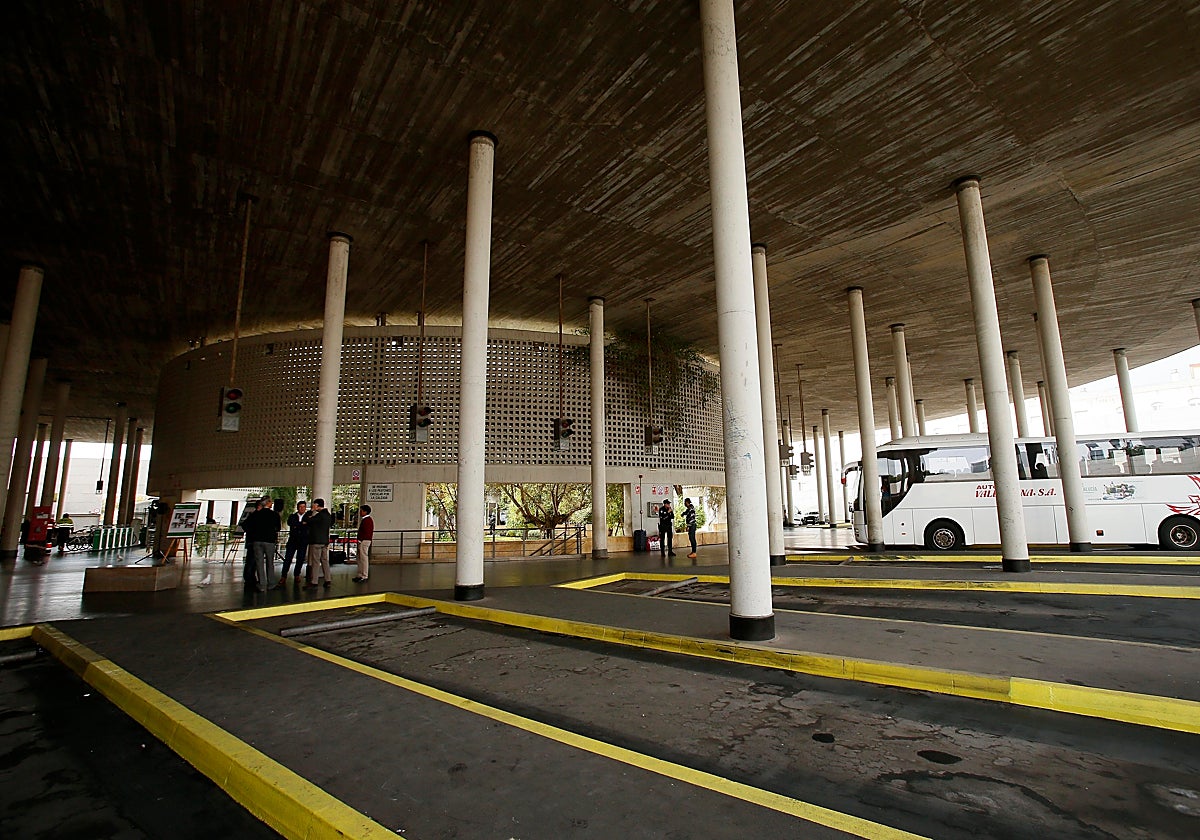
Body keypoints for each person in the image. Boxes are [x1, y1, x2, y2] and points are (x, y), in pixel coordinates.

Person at [243, 494, 281, 592]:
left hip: (257, 541)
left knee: (259, 563)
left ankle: (262, 584)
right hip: (269, 541)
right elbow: (278, 528)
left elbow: (245, 525)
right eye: (271, 501)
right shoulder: (274, 515)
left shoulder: (256, 514)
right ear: (268, 503)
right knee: (270, 562)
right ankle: (271, 584)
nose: (272, 503)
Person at [303, 498, 334, 589]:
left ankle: (314, 581)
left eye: (314, 505)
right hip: (325, 541)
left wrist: (310, 512)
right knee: (325, 560)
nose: (313, 506)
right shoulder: (328, 515)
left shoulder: (319, 516)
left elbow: (306, 520)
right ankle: (328, 580)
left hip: (316, 541)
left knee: (316, 561)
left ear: (317, 505)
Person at [281, 501, 309, 582]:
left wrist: (297, 525)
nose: (302, 508)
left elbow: (307, 526)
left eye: (304, 507)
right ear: (297, 507)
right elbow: (291, 523)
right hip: (292, 541)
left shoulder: (308, 517)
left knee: (300, 559)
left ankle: (297, 574)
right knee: (288, 558)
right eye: (300, 507)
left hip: (303, 541)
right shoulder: (292, 516)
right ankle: (283, 575)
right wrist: (301, 524)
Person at [353, 504, 373, 583]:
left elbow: (366, 532)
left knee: (363, 558)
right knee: (360, 558)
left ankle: (364, 575)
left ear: (365, 512)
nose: (360, 512)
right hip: (363, 540)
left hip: (364, 541)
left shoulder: (367, 520)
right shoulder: (366, 520)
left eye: (361, 511)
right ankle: (360, 574)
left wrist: (360, 540)